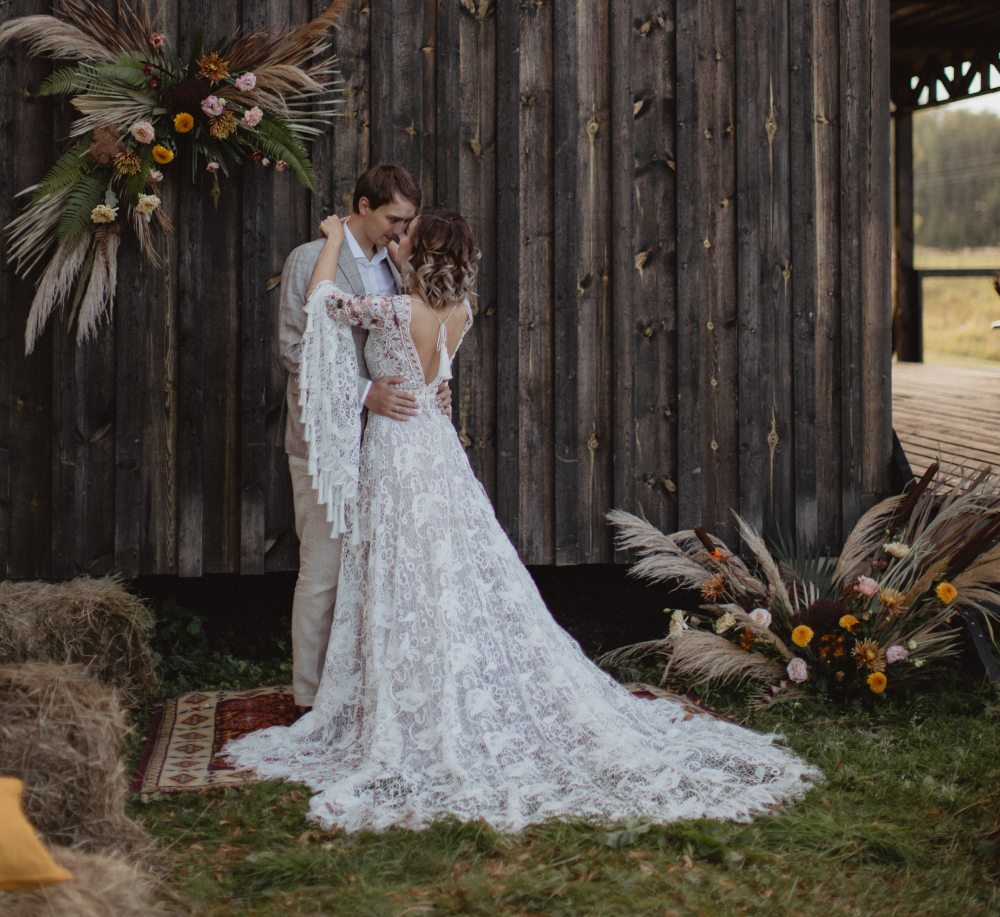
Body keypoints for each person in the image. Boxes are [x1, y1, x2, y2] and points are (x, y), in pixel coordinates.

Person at [229, 208, 812, 830]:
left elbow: (322, 301)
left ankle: (408, 695)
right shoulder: (461, 312)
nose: (397, 240)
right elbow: (434, 371)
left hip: (397, 450)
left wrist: (330, 239)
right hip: (436, 445)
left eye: (407, 237)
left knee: (400, 564)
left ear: (421, 255)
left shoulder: (394, 312)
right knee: (440, 566)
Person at [278, 163, 451, 708]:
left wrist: (435, 389)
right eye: (394, 219)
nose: (402, 231)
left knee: (379, 573)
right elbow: (295, 349)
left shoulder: (402, 267)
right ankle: (309, 698)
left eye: (408, 222)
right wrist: (363, 393)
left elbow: (424, 335)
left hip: (390, 449)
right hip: (327, 443)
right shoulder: (311, 258)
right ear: (363, 206)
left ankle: (362, 693)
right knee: (324, 573)